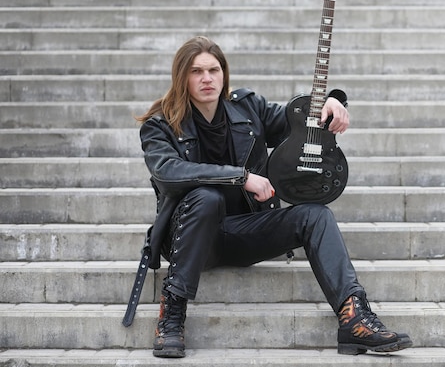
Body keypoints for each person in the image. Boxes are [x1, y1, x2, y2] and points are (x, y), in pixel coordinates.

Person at [131, 36, 412, 358]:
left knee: (315, 215)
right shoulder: (160, 124)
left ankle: (355, 319)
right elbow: (168, 170)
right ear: (182, 77)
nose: (206, 78)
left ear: (224, 74)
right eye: (196, 71)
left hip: (245, 232)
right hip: (190, 239)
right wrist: (242, 177)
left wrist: (330, 103)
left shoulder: (247, 108)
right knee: (207, 198)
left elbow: (299, 122)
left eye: (213, 70)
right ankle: (172, 315)